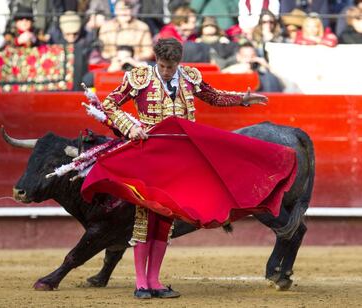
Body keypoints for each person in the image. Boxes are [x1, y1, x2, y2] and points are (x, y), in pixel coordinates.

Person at [85, 38, 272, 299]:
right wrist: (131, 127)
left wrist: (242, 99)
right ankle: (141, 284)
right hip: (148, 156)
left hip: (180, 159)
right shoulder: (139, 77)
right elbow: (110, 104)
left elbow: (213, 96)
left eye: (170, 67)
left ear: (179, 62)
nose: (166, 71)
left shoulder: (190, 76)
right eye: (162, 66)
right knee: (144, 218)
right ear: (156, 60)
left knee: (165, 219)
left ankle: (154, 280)